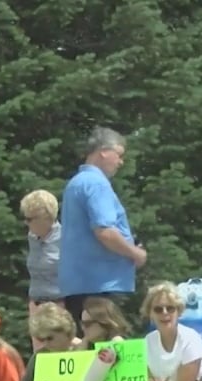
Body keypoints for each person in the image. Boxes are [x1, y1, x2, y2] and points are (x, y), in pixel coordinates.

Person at [58, 126, 146, 332]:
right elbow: (104, 231)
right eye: (119, 155)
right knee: (109, 351)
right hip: (102, 285)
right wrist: (135, 253)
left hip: (79, 284)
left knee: (85, 347)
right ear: (104, 151)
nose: (121, 162)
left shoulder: (75, 183)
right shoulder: (97, 184)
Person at [22, 189, 64, 349]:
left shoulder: (66, 237)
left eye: (30, 219)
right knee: (39, 357)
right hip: (36, 304)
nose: (26, 223)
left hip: (58, 305)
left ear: (46, 217)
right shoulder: (32, 237)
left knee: (58, 352)